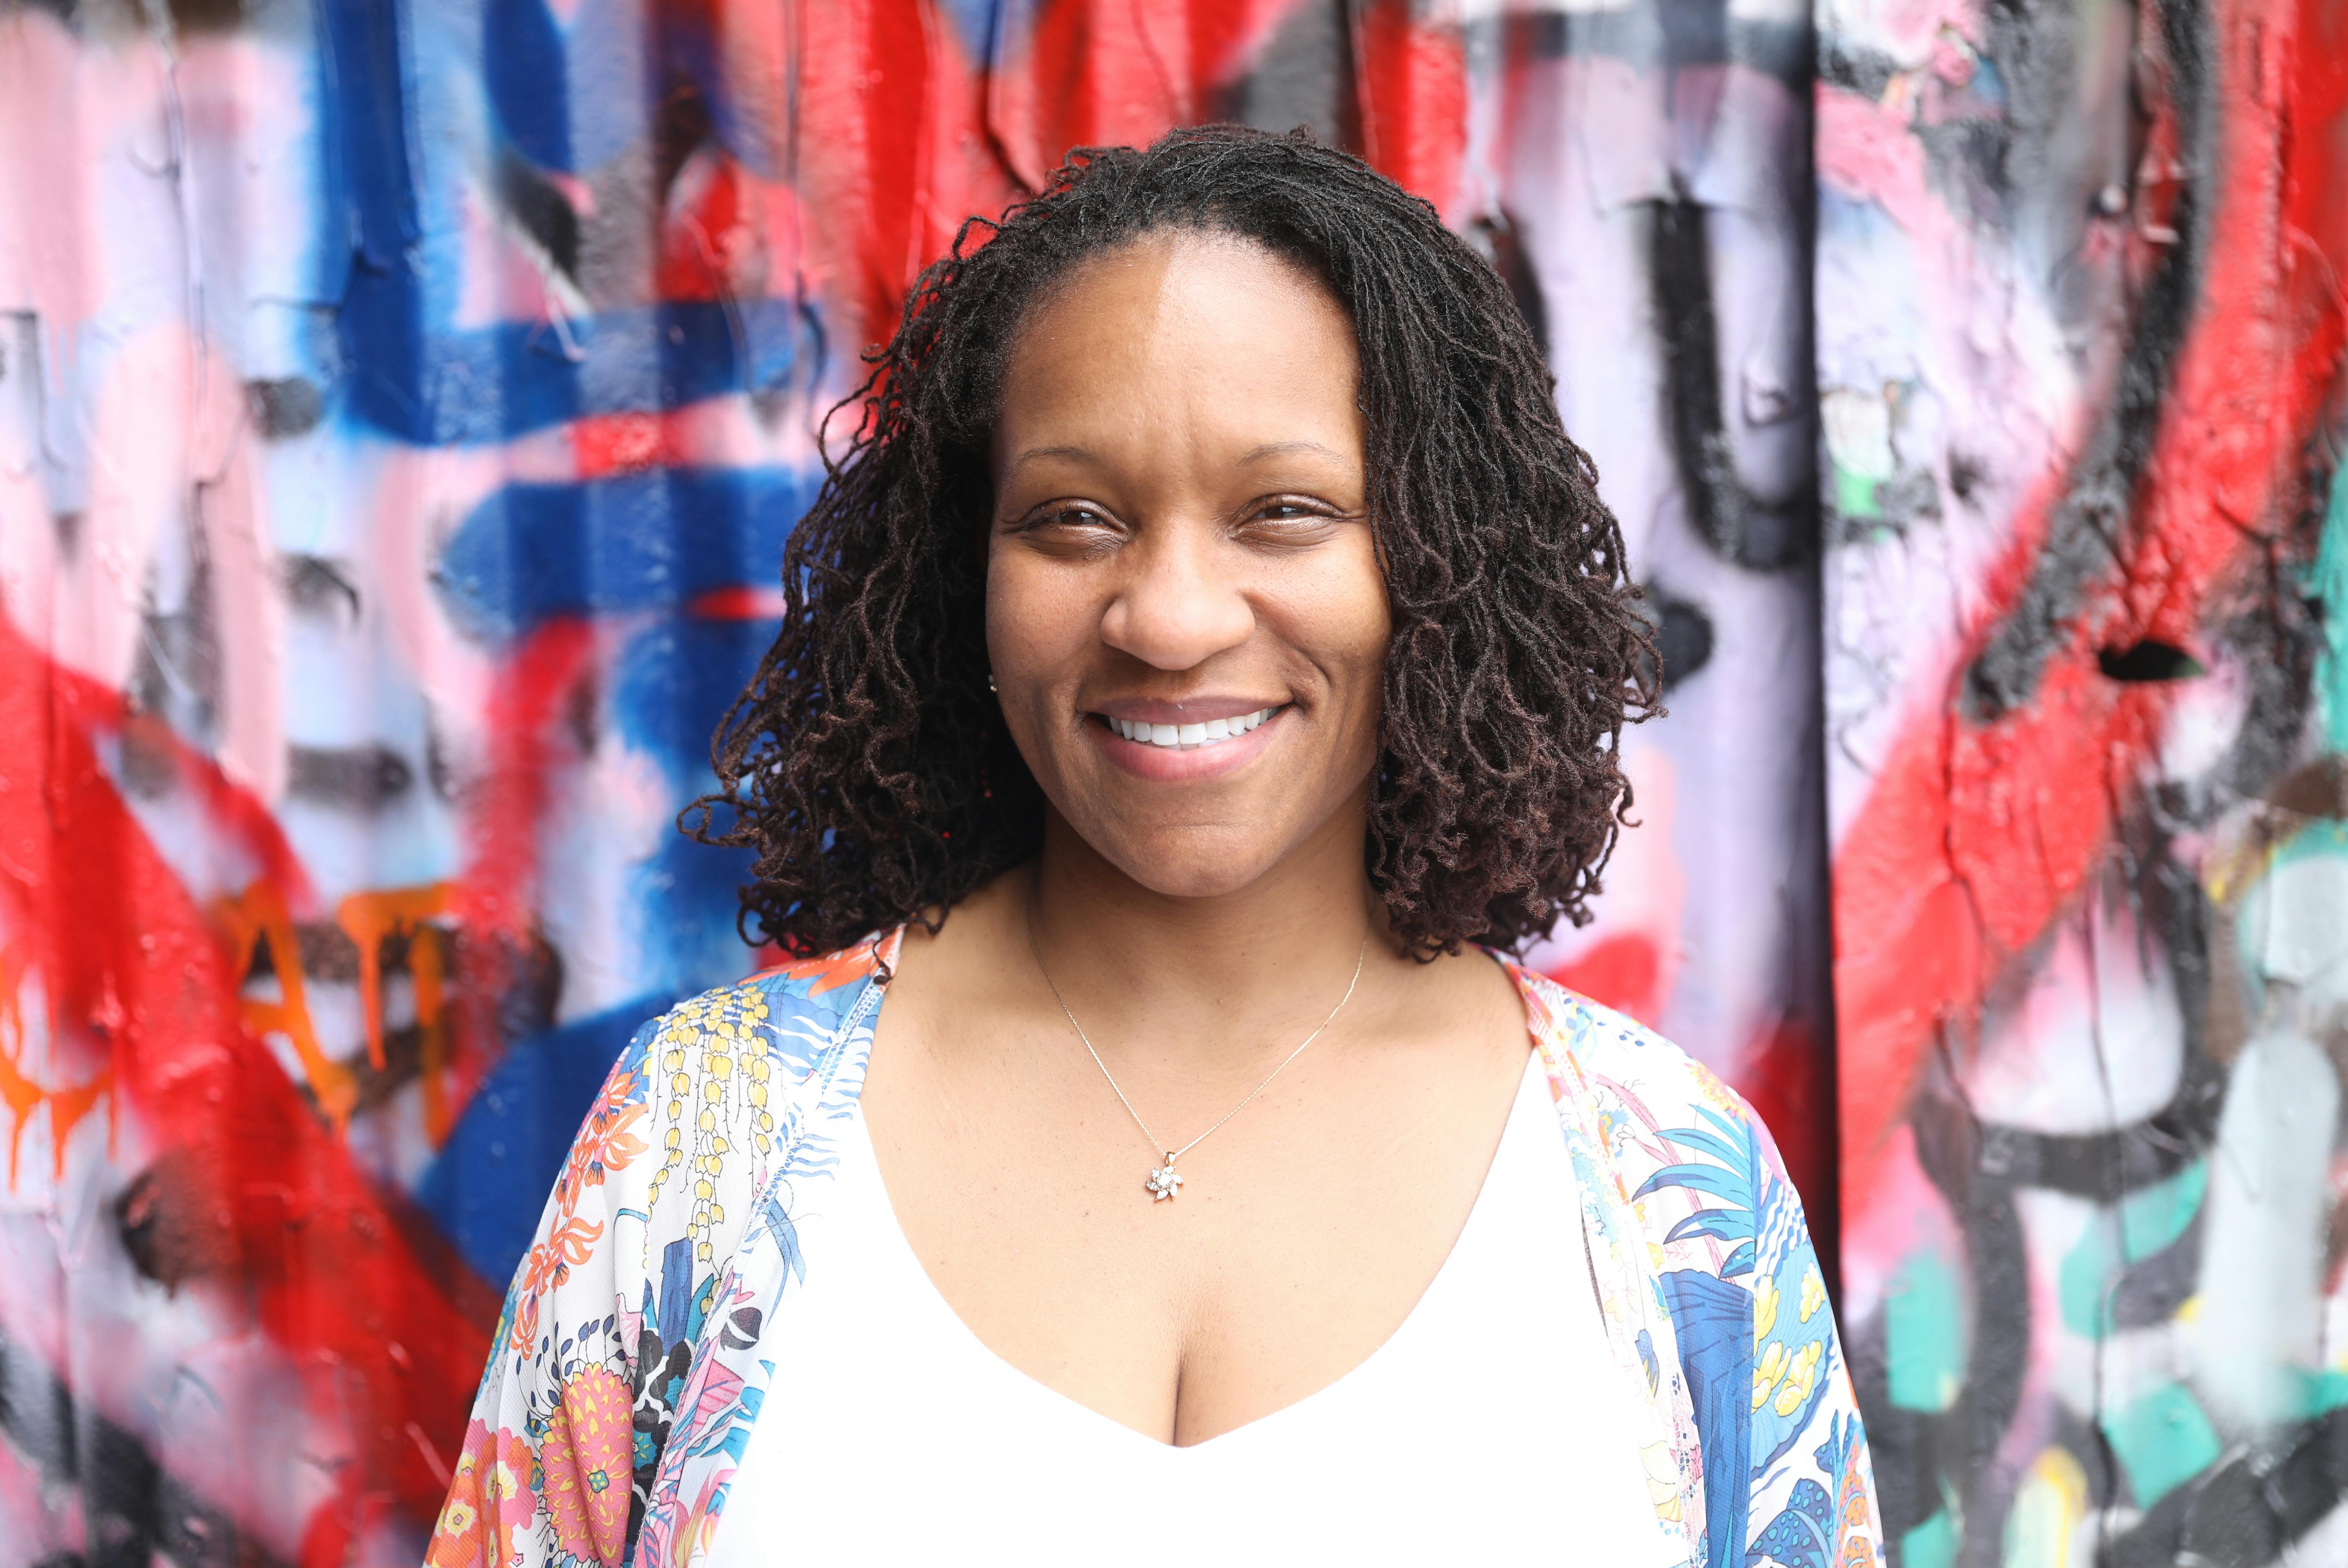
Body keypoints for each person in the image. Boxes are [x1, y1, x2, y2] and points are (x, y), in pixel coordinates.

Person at [426, 126, 1881, 1568]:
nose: (1171, 617)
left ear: (1437, 561)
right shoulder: (698, 1142)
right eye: (1075, 519)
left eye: (1286, 512)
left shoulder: (1665, 1190)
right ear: (965, 570)